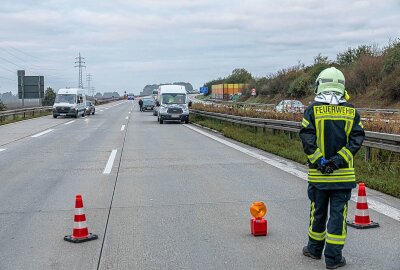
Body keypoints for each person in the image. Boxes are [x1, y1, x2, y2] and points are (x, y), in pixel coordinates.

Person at [299, 67, 365, 269]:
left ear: (320, 85)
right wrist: (337, 161)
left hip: (319, 177)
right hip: (342, 177)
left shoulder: (312, 111)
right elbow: (356, 140)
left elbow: (307, 138)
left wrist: (320, 161)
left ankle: (314, 249)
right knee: (338, 216)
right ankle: (333, 259)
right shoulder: (352, 112)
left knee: (317, 213)